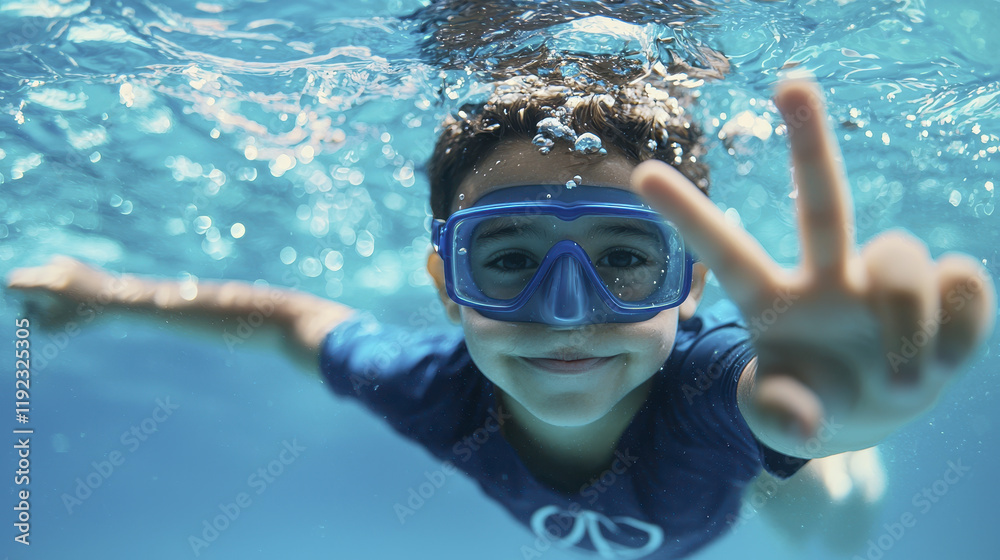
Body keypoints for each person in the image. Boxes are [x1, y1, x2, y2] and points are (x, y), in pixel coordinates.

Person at [6, 75, 994, 559]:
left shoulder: (717, 388)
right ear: (446, 284)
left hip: (761, 469)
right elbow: (284, 315)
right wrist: (104, 296)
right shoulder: (427, 387)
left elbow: (781, 408)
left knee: (833, 519)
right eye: (509, 259)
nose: (566, 312)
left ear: (690, 285)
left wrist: (847, 410)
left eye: (624, 260)